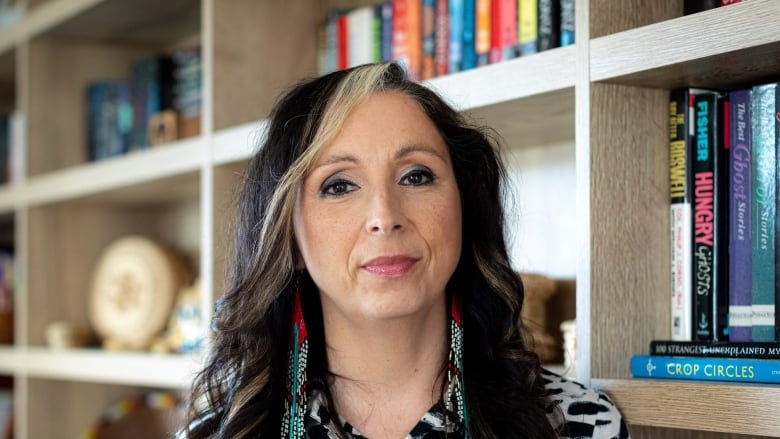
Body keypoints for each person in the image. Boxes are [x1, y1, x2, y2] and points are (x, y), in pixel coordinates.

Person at [178, 62, 629, 439]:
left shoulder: (577, 425)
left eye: (416, 176)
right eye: (339, 185)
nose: (384, 215)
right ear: (289, 240)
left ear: (463, 209)